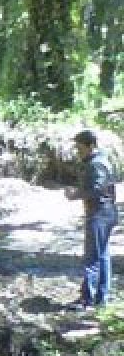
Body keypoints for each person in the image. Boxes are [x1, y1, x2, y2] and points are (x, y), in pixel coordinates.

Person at [65, 129, 118, 310]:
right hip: (105, 213)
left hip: (99, 214)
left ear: (91, 146)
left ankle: (87, 299)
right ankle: (101, 299)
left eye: (80, 148)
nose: (78, 151)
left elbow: (97, 189)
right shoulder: (99, 161)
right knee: (102, 256)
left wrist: (75, 195)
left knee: (92, 258)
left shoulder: (96, 164)